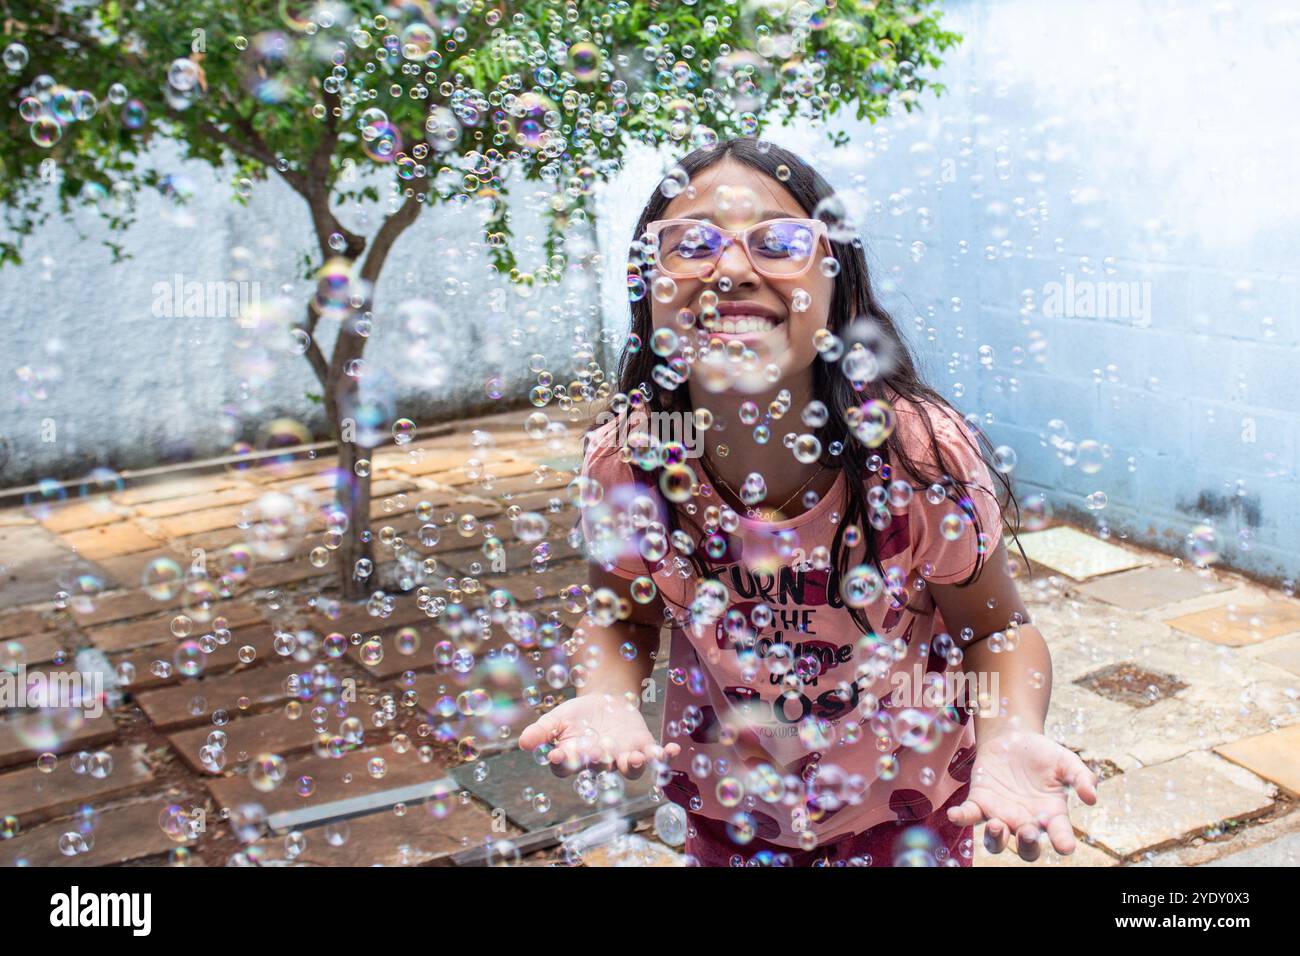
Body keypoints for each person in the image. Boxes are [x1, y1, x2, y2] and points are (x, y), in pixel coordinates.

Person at [519, 137, 1099, 867]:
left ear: (839, 292)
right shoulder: (632, 460)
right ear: (648, 289)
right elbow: (622, 616)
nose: (731, 268)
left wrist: (1011, 733)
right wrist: (607, 693)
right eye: (690, 243)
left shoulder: (916, 455)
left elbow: (995, 630)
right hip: (734, 805)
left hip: (908, 805)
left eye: (780, 241)